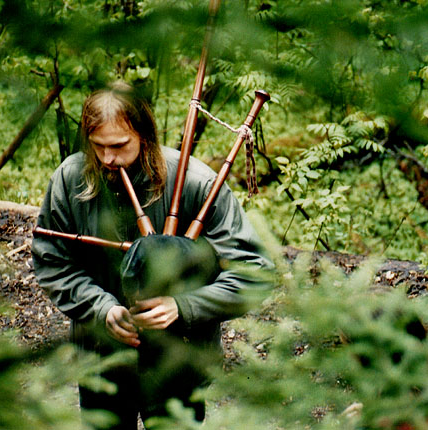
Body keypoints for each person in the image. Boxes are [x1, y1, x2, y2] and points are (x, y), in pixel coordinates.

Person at [31, 82, 273, 430]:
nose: (107, 159)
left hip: (180, 359)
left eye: (119, 146)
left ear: (144, 134)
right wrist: (102, 309)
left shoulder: (194, 182)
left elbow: (254, 272)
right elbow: (54, 263)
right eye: (97, 146)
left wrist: (184, 307)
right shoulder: (70, 179)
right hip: (102, 357)